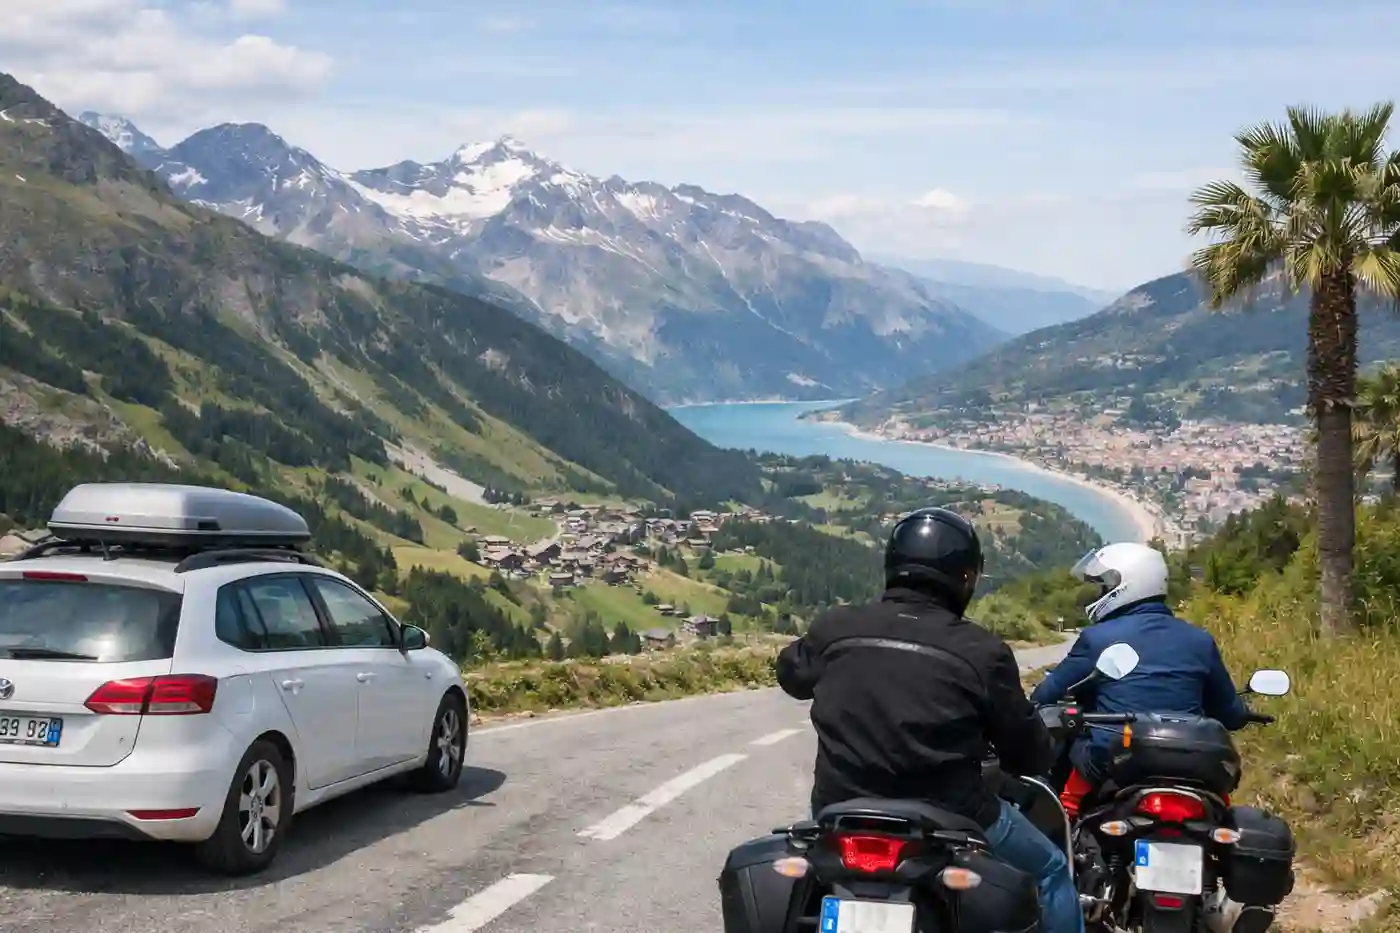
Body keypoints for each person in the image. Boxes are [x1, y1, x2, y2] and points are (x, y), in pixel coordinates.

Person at [777, 507, 1083, 933]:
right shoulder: (982, 651)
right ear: (966, 578)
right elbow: (1027, 757)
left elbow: (791, 676)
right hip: (953, 817)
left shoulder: (836, 627)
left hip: (840, 806)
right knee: (1051, 871)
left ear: (893, 564)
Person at [1030, 542, 1252, 818]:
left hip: (1115, 760)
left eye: (1103, 586)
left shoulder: (1097, 638)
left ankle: (1061, 833)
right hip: (1192, 762)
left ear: (1125, 584)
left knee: (1062, 760)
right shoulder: (1200, 640)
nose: (1099, 593)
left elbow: (1045, 696)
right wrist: (1246, 710)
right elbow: (1230, 714)